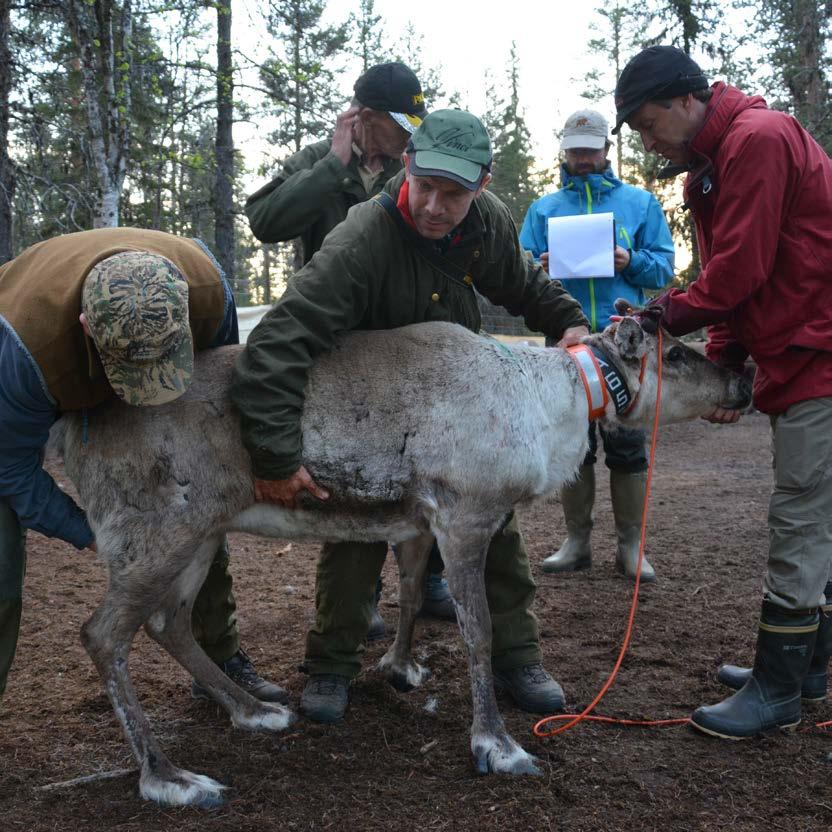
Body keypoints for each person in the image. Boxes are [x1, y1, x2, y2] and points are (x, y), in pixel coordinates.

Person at [230, 109, 591, 723]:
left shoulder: (487, 223)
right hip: (369, 413)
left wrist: (568, 322)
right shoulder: (361, 237)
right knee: (355, 529)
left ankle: (517, 655)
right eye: (425, 186)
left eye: (453, 194)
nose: (432, 205)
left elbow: (522, 286)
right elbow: (275, 345)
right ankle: (331, 664)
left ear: (481, 186)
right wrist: (275, 458)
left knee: (492, 526)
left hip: (456, 412)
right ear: (406, 166)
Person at [613, 45, 832, 738]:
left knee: (801, 514)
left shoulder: (759, 141)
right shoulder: (709, 171)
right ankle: (810, 668)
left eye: (650, 125)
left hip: (823, 352)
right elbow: (740, 276)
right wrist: (726, 364)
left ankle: (777, 690)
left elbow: (739, 270)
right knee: (817, 511)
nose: (649, 142)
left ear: (686, 100)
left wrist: (661, 316)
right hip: (800, 351)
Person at [0, 228, 286, 705]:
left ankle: (218, 658)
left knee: (199, 510)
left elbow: (218, 398)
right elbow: (11, 471)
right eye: (133, 374)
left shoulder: (208, 292)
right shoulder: (24, 349)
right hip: (27, 378)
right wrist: (92, 532)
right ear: (88, 326)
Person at [245, 61, 455, 635]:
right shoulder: (317, 159)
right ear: (362, 118)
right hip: (332, 345)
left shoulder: (415, 167)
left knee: (420, 462)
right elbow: (264, 220)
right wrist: (333, 166)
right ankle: (353, 607)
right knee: (347, 475)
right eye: (398, 123)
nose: (410, 134)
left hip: (399, 339)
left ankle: (430, 578)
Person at [519, 109, 674, 583]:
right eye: (575, 149)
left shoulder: (640, 204)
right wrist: (538, 267)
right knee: (573, 447)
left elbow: (664, 270)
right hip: (565, 341)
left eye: (591, 148)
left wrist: (631, 261)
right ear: (564, 150)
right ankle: (577, 542)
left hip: (626, 344)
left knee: (628, 446)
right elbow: (517, 269)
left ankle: (631, 548)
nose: (583, 157)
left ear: (607, 149)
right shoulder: (543, 210)